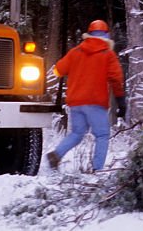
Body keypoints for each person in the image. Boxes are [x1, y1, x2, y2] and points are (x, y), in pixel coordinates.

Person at [47, 20, 126, 172]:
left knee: (77, 133)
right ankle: (97, 170)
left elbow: (58, 70)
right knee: (102, 135)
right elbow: (116, 79)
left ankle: (57, 154)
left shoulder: (76, 51)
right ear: (106, 36)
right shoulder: (107, 54)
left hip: (76, 102)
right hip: (96, 102)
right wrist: (121, 101)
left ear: (88, 35)